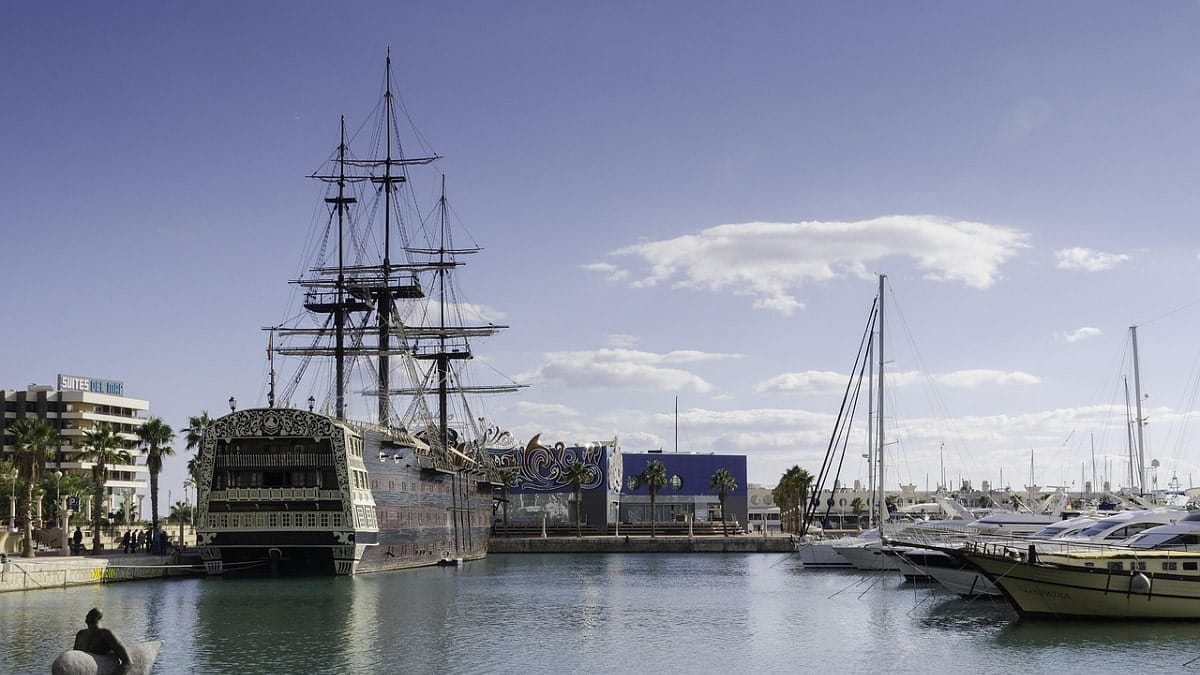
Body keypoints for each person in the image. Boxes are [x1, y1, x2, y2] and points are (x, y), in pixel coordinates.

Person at [72, 608, 131, 675]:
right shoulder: (81, 634)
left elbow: (127, 662)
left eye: (91, 614)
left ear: (98, 617)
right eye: (88, 613)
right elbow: (74, 658)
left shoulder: (106, 634)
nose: (87, 615)